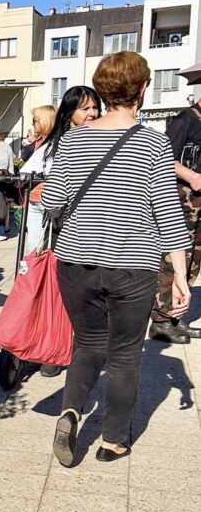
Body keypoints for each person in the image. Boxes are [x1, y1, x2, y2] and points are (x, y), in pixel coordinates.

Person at [41, 52, 190, 468]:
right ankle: (112, 440)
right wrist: (180, 275)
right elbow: (167, 212)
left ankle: (71, 411)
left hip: (74, 262)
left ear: (102, 90)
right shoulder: (153, 142)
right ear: (142, 89)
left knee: (87, 344)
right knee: (125, 355)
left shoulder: (72, 139)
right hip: (132, 266)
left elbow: (52, 201)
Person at [20, 87, 102, 253]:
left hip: (94, 226)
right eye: (85, 109)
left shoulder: (103, 141)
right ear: (70, 112)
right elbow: (26, 174)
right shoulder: (54, 145)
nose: (92, 113)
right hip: (62, 227)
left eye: (95, 108)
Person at [149, 86, 201, 344]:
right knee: (173, 260)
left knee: (194, 261)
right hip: (182, 203)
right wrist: (192, 176)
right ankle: (160, 320)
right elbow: (164, 158)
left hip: (199, 205)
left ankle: (176, 317)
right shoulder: (185, 119)